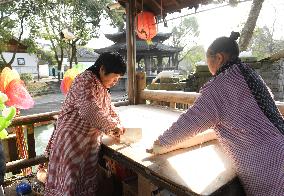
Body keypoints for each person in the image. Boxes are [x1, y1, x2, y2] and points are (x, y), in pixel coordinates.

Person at [148, 32, 284, 195]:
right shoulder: (249, 74)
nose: (208, 65)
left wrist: (161, 143)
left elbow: (191, 120)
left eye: (208, 60)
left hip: (268, 165)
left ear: (218, 58)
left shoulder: (219, 87)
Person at [42, 52, 126, 195]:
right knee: (70, 181)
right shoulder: (85, 80)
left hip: (88, 141)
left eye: (118, 78)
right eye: (114, 77)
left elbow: (110, 109)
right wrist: (112, 126)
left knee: (83, 181)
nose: (115, 81)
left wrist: (118, 124)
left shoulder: (101, 86)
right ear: (102, 69)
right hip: (72, 139)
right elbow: (89, 110)